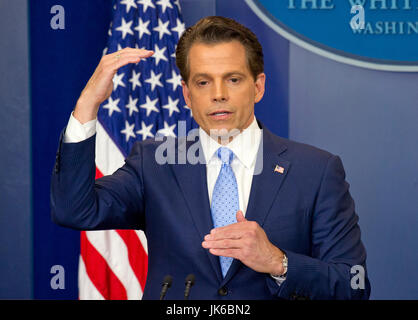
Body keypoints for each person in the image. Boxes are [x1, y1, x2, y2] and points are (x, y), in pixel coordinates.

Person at [51, 16, 371, 300]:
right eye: (203, 82)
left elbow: (353, 285)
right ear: (187, 95)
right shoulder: (155, 163)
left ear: (257, 87)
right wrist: (87, 105)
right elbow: (75, 211)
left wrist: (278, 261)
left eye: (233, 79)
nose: (218, 93)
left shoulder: (316, 170)